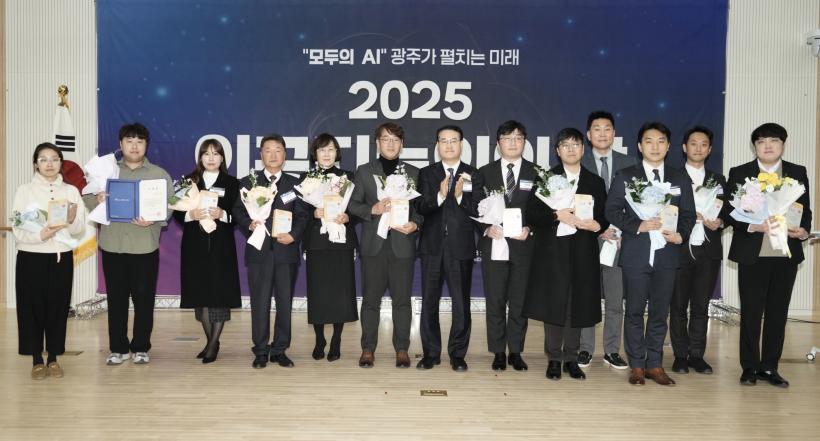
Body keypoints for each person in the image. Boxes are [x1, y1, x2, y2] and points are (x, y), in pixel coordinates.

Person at [605, 121, 696, 386]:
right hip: (636, 253)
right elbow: (611, 210)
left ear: (668, 146)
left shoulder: (679, 178)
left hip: (668, 253)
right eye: (649, 141)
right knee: (634, 311)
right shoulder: (626, 176)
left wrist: (681, 235)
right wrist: (638, 225)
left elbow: (688, 214)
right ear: (639, 146)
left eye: (660, 141)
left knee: (659, 312)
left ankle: (654, 364)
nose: (655, 147)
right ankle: (636, 365)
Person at [724, 123, 812, 388]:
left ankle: (770, 367)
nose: (768, 146)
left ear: (783, 144)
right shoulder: (741, 172)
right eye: (761, 142)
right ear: (755, 147)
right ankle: (750, 367)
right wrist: (754, 226)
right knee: (751, 313)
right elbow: (729, 212)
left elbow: (805, 209)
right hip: (753, 253)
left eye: (774, 140)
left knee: (778, 313)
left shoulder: (797, 172)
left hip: (785, 254)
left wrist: (803, 230)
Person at [83, 123, 173, 366]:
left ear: (146, 145)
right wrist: (97, 199)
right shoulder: (107, 171)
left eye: (139, 141)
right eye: (129, 141)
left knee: (144, 301)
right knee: (116, 301)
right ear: (120, 144)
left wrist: (155, 217)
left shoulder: (159, 174)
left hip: (145, 247)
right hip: (113, 246)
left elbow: (170, 205)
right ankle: (118, 349)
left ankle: (141, 347)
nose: (134, 146)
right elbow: (86, 195)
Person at [524, 128, 608, 380]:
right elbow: (532, 215)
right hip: (552, 252)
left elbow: (604, 215)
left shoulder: (594, 182)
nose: (571, 149)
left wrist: (598, 225)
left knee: (577, 304)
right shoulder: (547, 178)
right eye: (565, 145)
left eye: (576, 144)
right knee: (554, 303)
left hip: (583, 251)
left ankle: (571, 357)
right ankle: (553, 358)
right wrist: (556, 215)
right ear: (558, 151)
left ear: (583, 149)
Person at [348, 122, 422, 368]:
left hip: (402, 245)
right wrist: (373, 209)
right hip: (374, 246)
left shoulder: (413, 173)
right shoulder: (364, 171)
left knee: (402, 301)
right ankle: (368, 348)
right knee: (371, 300)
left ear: (402, 144)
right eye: (386, 139)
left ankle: (402, 349)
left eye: (395, 139)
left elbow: (420, 211)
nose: (391, 143)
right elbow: (353, 205)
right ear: (377, 143)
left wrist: (415, 224)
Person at [233, 134, 309, 369]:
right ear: (261, 154)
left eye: (278, 150)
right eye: (268, 150)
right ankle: (260, 350)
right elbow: (238, 211)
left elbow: (303, 215)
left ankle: (280, 349)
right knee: (260, 302)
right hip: (259, 251)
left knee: (285, 302)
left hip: (286, 251)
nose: (273, 155)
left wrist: (294, 235)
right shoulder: (248, 182)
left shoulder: (295, 184)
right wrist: (249, 224)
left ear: (285, 154)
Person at [12, 142, 86, 379]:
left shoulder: (71, 191)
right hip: (31, 257)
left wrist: (72, 219)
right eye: (43, 159)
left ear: (61, 163)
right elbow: (17, 228)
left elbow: (79, 229)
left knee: (57, 308)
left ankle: (53, 358)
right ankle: (36, 359)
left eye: (54, 159)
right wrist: (40, 235)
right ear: (35, 164)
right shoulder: (24, 190)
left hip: (60, 257)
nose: (49, 164)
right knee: (31, 309)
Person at [415, 125, 481, 372]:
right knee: (429, 302)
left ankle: (458, 354)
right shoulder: (426, 173)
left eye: (454, 140)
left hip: (460, 246)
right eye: (444, 141)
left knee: (461, 303)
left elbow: (479, 210)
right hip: (432, 246)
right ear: (437, 145)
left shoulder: (473, 174)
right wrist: (441, 196)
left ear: (461, 144)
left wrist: (461, 197)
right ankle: (431, 353)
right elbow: (420, 207)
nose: (449, 145)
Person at [474, 120, 537, 371]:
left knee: (519, 303)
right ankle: (499, 352)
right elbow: (473, 208)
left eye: (518, 138)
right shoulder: (484, 172)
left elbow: (542, 210)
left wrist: (530, 228)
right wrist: (485, 229)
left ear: (524, 142)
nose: (513, 143)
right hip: (495, 244)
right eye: (507, 138)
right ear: (498, 143)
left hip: (523, 246)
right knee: (496, 301)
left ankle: (516, 352)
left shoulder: (537, 172)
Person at [173, 139, 241, 364]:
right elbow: (174, 210)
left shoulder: (232, 183)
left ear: (222, 158)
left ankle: (212, 345)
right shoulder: (187, 181)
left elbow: (238, 214)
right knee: (199, 294)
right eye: (206, 154)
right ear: (200, 157)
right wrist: (189, 215)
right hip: (194, 246)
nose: (211, 158)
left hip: (221, 246)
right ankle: (212, 341)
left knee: (219, 296)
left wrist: (223, 214)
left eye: (216, 154)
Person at [578, 110, 636, 370]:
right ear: (588, 135)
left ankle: (612, 350)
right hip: (586, 239)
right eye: (597, 129)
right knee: (586, 296)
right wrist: (599, 228)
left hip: (619, 241)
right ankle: (584, 349)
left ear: (614, 133)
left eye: (607, 128)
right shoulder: (578, 161)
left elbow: (636, 205)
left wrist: (620, 229)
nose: (602, 134)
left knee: (615, 298)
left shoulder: (630, 163)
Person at [670, 126, 726, 375]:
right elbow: (665, 210)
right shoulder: (673, 177)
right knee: (678, 306)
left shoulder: (719, 180)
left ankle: (697, 355)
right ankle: (680, 355)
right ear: (684, 147)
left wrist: (720, 221)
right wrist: (685, 218)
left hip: (708, 250)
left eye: (704, 144)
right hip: (679, 249)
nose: (698, 148)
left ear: (709, 149)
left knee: (701, 306)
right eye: (693, 143)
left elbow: (729, 211)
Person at [299, 133, 358, 362]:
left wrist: (348, 216)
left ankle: (336, 340)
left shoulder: (347, 178)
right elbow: (299, 213)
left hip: (341, 241)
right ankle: (319, 339)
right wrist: (313, 213)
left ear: (337, 153)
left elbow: (358, 208)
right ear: (315, 154)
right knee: (318, 292)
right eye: (322, 150)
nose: (326, 154)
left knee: (340, 292)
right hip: (317, 242)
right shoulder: (306, 179)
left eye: (331, 149)